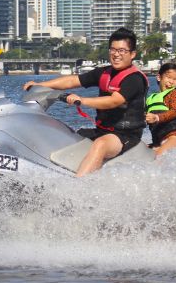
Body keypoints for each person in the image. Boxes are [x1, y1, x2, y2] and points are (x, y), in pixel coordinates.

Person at [23, 27, 148, 176]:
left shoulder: (134, 79)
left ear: (132, 54)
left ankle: (78, 189)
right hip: (102, 130)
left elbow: (114, 101)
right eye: (113, 50)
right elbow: (72, 81)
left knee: (100, 145)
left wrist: (82, 100)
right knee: (68, 137)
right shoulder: (103, 73)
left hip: (126, 135)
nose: (116, 54)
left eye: (122, 51)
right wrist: (41, 85)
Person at [145, 62, 176, 156]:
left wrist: (156, 117)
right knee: (138, 151)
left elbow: (175, 111)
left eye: (175, 79)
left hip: (175, 136)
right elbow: (143, 117)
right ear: (159, 78)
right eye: (168, 77)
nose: (171, 81)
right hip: (158, 141)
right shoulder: (150, 99)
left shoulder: (175, 93)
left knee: (158, 156)